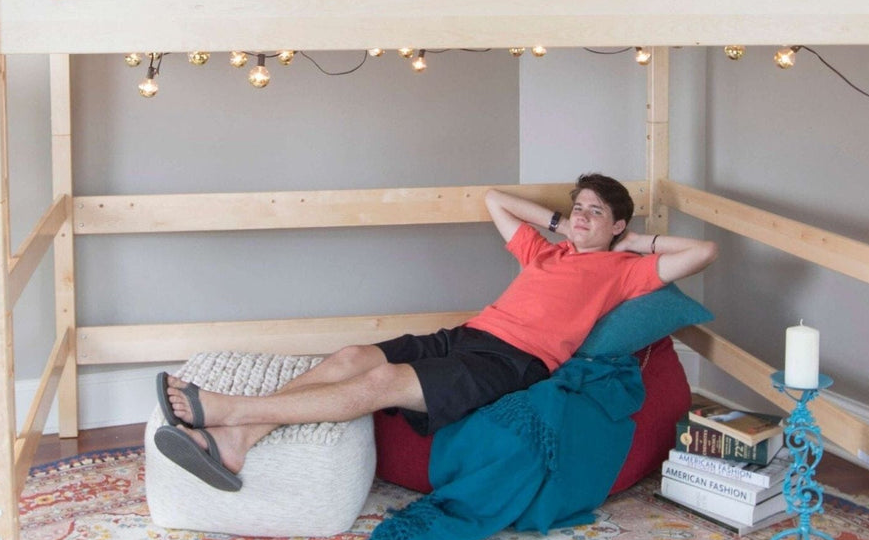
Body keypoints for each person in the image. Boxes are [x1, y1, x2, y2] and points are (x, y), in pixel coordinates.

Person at [155, 173, 718, 490]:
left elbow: (703, 251)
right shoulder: (545, 253)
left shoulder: (624, 270)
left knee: (384, 384)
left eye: (596, 212)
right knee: (355, 355)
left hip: (512, 362)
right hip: (469, 334)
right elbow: (494, 198)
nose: (581, 217)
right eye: (578, 209)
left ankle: (231, 411)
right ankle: (236, 441)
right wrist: (557, 224)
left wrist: (631, 243)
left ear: (618, 223)